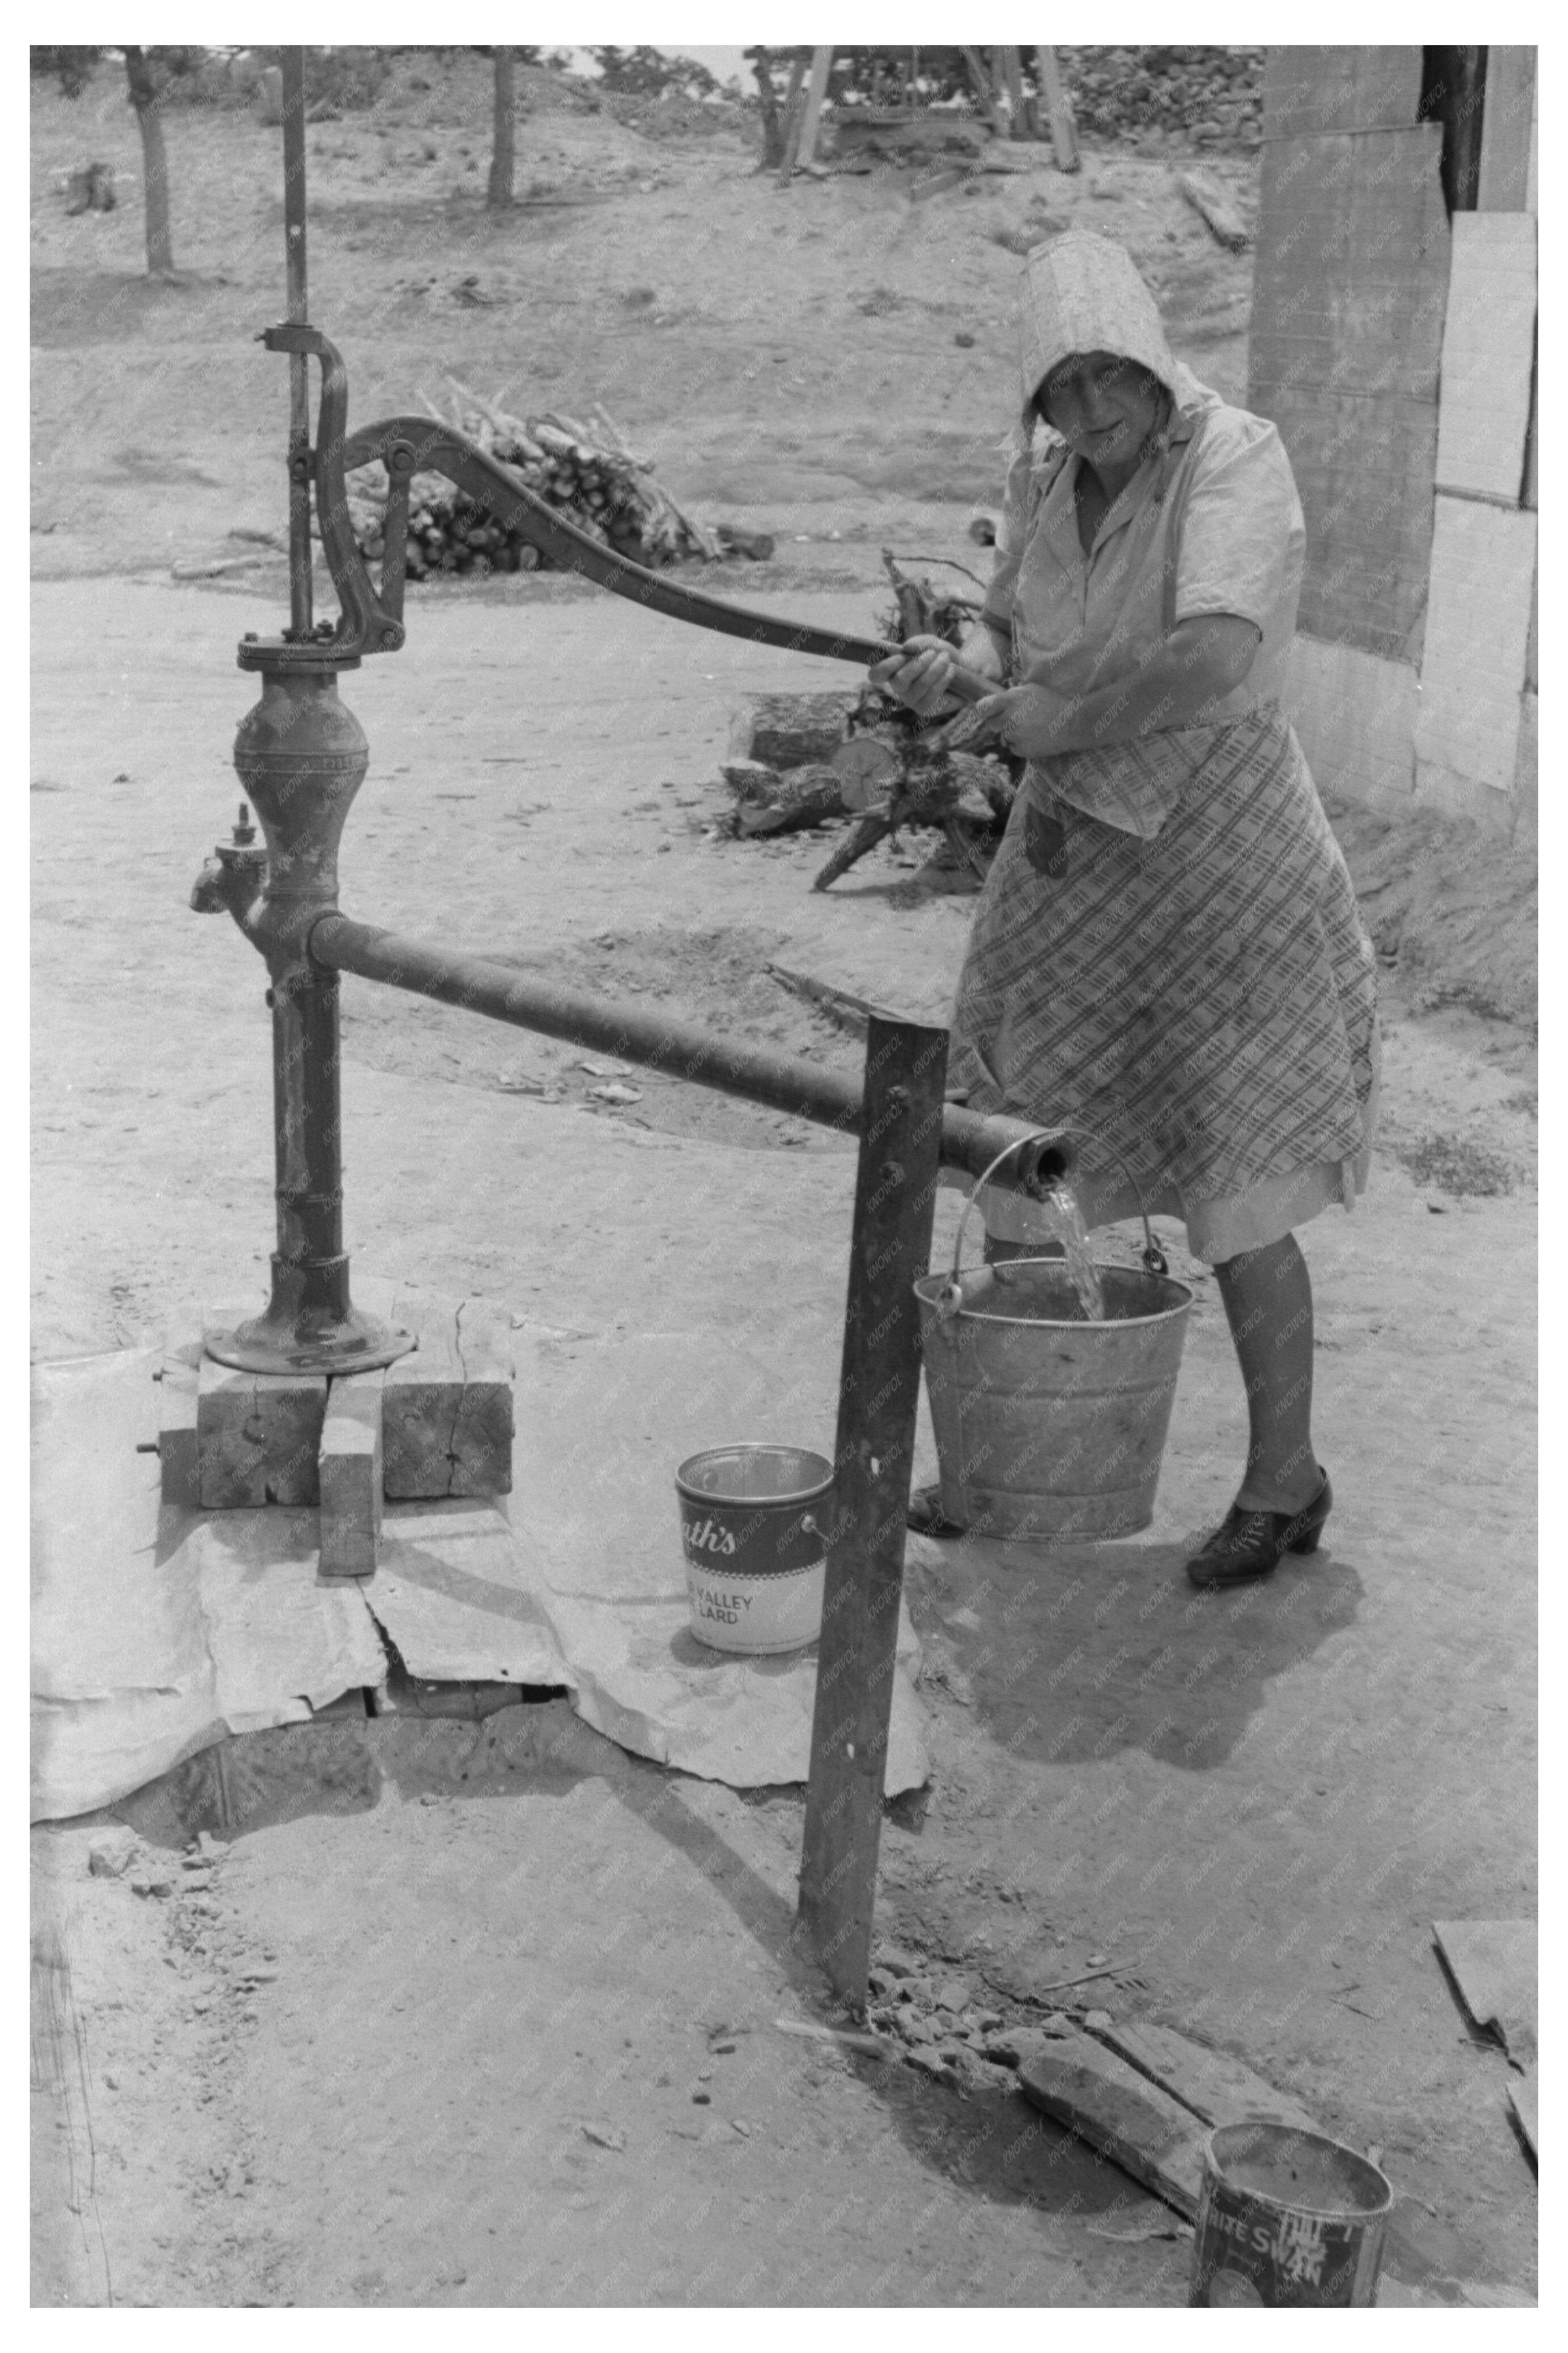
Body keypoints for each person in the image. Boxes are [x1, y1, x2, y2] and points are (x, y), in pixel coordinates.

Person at [872, 232, 1379, 1590]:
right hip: (1073, 857)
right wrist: (957, 671)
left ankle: (1286, 1483)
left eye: (1113, 380)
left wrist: (1061, 714)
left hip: (1223, 852)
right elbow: (1011, 643)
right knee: (1014, 1139)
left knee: (1238, 1161)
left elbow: (1216, 648)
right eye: (1063, 390)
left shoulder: (1234, 456)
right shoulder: (1043, 475)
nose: (1093, 413)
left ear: (1154, 362)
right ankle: (1010, 1454)